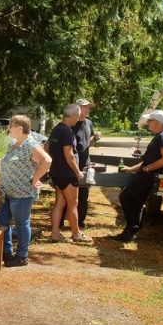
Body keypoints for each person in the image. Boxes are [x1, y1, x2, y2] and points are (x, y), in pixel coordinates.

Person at [0, 115, 51, 267]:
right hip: (7, 192)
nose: (8, 129)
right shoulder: (12, 144)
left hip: (22, 193)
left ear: (19, 128)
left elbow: (47, 160)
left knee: (21, 224)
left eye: (10, 126)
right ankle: (7, 251)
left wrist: (35, 178)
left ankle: (22, 256)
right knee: (2, 219)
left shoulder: (30, 144)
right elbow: (6, 166)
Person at [113, 109, 163, 242]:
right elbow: (148, 160)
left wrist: (147, 169)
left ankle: (133, 226)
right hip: (146, 174)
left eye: (150, 121)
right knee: (136, 202)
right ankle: (131, 230)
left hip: (148, 176)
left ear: (157, 123)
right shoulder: (161, 135)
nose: (148, 123)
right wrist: (131, 169)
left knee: (126, 196)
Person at [46, 103, 91, 243]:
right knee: (73, 203)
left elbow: (46, 146)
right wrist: (77, 172)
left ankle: (55, 234)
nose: (78, 119)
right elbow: (69, 154)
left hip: (56, 172)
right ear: (71, 116)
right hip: (67, 174)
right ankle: (76, 234)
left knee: (60, 202)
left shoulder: (56, 129)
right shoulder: (67, 131)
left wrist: (52, 163)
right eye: (77, 116)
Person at [60, 98, 100, 229]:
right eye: (84, 107)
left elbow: (88, 143)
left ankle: (80, 222)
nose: (87, 109)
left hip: (85, 163)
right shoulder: (71, 124)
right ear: (77, 109)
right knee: (66, 195)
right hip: (71, 163)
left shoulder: (89, 123)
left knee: (84, 195)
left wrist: (96, 138)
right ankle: (60, 221)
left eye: (88, 107)